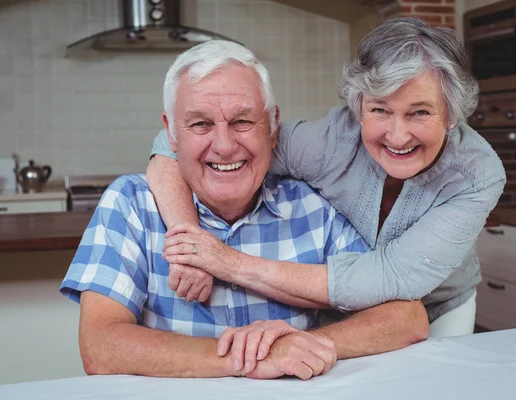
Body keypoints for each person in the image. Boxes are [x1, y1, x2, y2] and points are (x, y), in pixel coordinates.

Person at [60, 40, 429, 380]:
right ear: (171, 133)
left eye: (242, 122)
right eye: (201, 124)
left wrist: (309, 345)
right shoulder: (130, 205)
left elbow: (407, 317)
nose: (224, 146)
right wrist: (254, 357)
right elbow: (100, 347)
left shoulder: (312, 207)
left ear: (271, 126)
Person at [147, 16, 507, 345]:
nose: (398, 137)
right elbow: (172, 148)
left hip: (441, 307)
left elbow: (391, 276)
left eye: (420, 112)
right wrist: (190, 246)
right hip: (345, 313)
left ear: (451, 115)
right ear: (359, 106)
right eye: (379, 109)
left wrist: (227, 262)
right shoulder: (331, 141)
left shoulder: (477, 175)